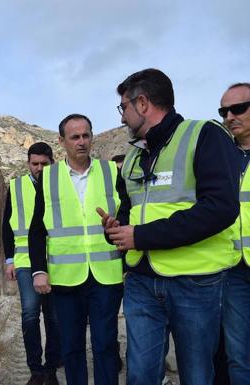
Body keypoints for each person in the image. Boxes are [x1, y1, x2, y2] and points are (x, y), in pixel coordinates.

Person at [99, 68, 239, 385]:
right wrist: (116, 228)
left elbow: (220, 208)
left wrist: (142, 235)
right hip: (140, 282)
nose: (122, 118)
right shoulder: (133, 157)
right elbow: (129, 209)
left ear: (143, 103)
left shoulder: (205, 135)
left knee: (197, 375)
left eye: (124, 107)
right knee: (141, 375)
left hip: (195, 283)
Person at [29, 114, 124, 385]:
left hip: (106, 275)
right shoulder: (48, 177)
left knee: (105, 344)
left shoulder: (110, 172)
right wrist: (39, 271)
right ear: (62, 142)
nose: (82, 142)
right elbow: (37, 230)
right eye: (75, 137)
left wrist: (117, 226)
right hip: (65, 278)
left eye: (86, 135)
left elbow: (126, 216)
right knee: (71, 347)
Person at [2, 142, 61, 385]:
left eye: (44, 164)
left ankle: (51, 370)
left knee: (54, 317)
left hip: (56, 260)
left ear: (51, 163)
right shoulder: (16, 186)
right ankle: (35, 370)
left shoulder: (59, 185)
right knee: (29, 314)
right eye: (34, 164)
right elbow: (7, 225)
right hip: (26, 260)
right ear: (28, 163)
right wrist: (9, 259)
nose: (39, 168)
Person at [219, 82, 250, 384]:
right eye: (224, 111)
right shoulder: (220, 157)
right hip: (233, 270)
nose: (229, 116)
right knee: (239, 355)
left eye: (238, 108)